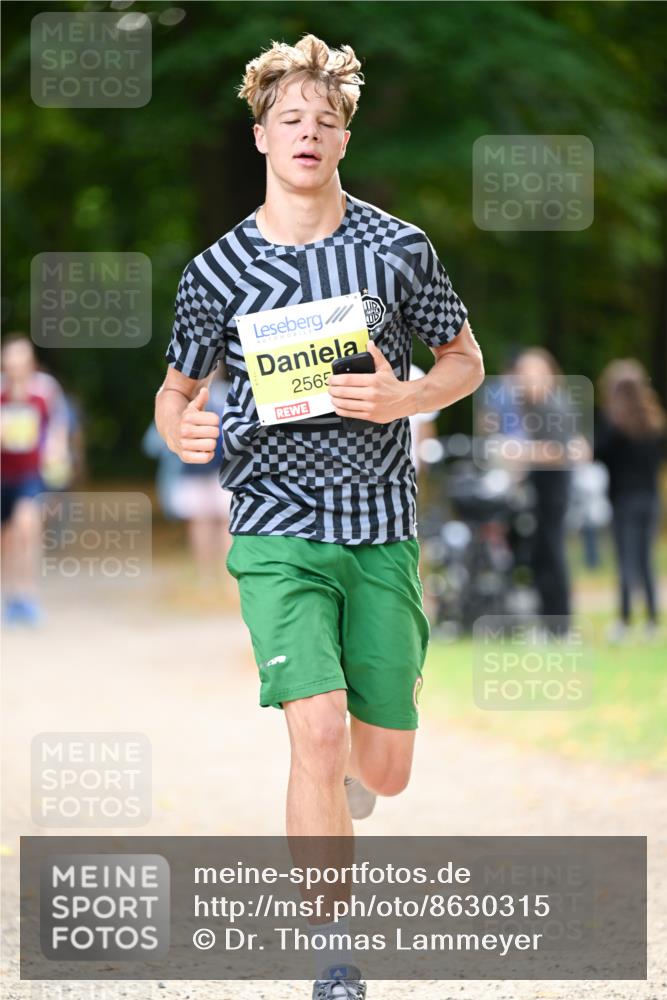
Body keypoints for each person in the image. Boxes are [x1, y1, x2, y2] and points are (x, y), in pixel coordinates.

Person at [154, 34, 483, 999]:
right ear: (262, 138)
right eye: (289, 120)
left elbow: (463, 362)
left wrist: (405, 397)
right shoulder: (216, 272)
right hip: (274, 528)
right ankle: (331, 951)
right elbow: (175, 393)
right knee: (319, 728)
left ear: (343, 139)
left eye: (325, 121)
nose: (307, 133)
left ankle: (344, 792)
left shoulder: (396, 249)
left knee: (383, 767)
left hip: (378, 525)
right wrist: (181, 430)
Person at [596, 359, 666, 641]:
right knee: (645, 561)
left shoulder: (614, 428)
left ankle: (625, 620)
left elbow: (597, 454)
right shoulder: (655, 424)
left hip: (624, 500)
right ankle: (651, 619)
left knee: (626, 561)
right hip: (650, 499)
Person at [1, 335, 68, 625]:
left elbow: (59, 423)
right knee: (7, 539)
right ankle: (11, 596)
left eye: (21, 360)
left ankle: (28, 596)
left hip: (31, 474)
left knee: (27, 528)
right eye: (10, 361)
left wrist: (57, 446)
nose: (15, 366)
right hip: (3, 474)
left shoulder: (45, 389)